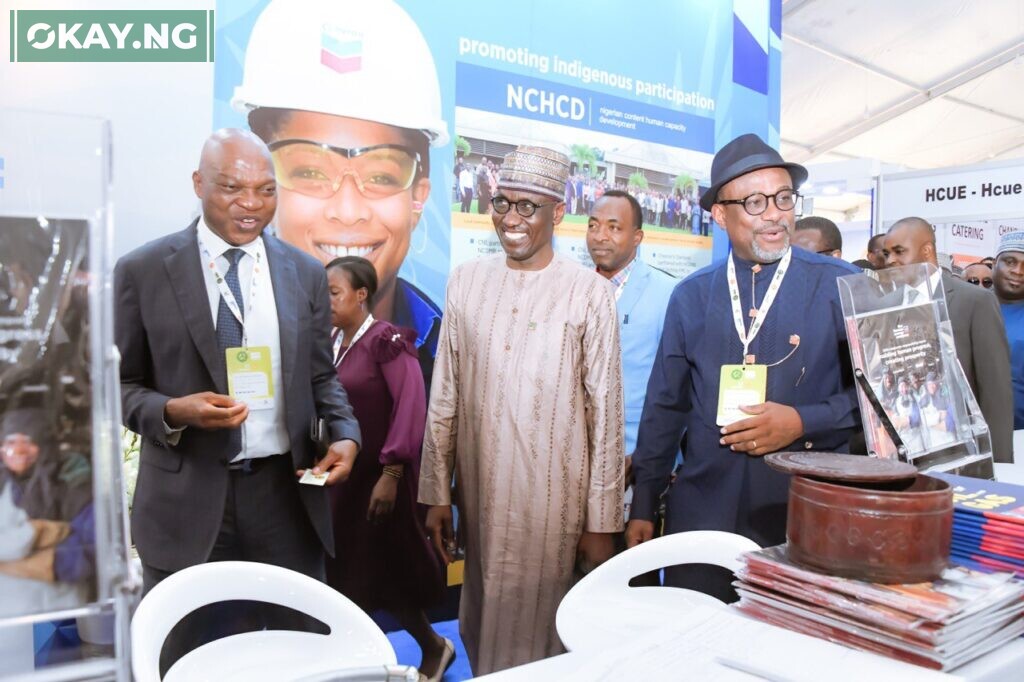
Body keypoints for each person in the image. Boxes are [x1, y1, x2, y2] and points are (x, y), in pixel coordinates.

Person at [115, 129, 361, 669]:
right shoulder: (143, 271)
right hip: (187, 501)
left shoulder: (303, 273)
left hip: (284, 498)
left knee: (303, 653)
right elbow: (120, 386)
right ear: (199, 183)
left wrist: (345, 433)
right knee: (183, 656)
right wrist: (173, 412)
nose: (251, 205)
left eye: (265, 190)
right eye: (232, 188)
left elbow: (322, 378)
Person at [626, 134, 861, 601]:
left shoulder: (843, 287)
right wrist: (645, 504)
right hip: (702, 514)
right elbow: (666, 407)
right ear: (720, 214)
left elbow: (879, 405)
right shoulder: (692, 296)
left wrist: (802, 422)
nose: (774, 213)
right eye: (755, 202)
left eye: (783, 198)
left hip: (805, 511)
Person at [419, 145, 624, 675]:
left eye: (527, 207)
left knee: (547, 632)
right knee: (482, 618)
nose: (510, 219)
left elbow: (606, 416)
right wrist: (437, 492)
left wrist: (601, 521)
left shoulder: (589, 294)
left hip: (555, 504)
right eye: (501, 202)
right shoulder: (466, 280)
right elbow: (446, 394)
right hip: (482, 496)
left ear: (558, 212)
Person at [235, 0, 449, 388]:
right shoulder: (220, 327)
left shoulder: (446, 350)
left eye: (381, 176)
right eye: (310, 172)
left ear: (418, 198)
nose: (348, 211)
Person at [323, 256, 452, 681]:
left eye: (334, 292)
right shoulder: (333, 342)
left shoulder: (387, 340)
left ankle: (435, 647)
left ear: (361, 295)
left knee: (390, 575)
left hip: (380, 482)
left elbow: (412, 406)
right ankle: (359, 664)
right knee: (353, 576)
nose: (326, 301)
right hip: (343, 482)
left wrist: (392, 473)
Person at [882, 217, 1013, 462]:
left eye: (899, 251)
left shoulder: (974, 301)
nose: (891, 261)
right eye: (886, 253)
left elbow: (996, 391)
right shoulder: (884, 307)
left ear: (927, 250)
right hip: (901, 450)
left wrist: (999, 461)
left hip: (962, 450)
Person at [586, 190, 677, 503]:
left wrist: (647, 459)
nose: (600, 236)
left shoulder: (669, 294)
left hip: (636, 466)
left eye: (614, 227)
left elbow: (678, 389)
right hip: (575, 462)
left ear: (637, 237)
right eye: (593, 225)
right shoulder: (573, 290)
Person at [0, 408, 94, 612]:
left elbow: (90, 549)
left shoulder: (73, 484)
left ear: (44, 444)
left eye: (28, 441)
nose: (19, 450)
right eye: (10, 442)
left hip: (59, 608)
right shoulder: (4, 485)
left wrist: (41, 557)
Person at [993, 231, 1024, 432]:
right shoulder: (965, 307)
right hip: (968, 434)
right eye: (1010, 262)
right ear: (995, 264)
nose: (1018, 271)